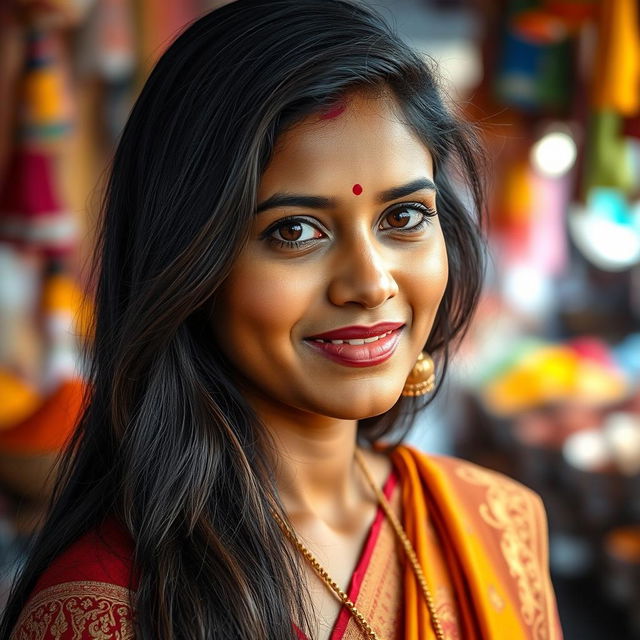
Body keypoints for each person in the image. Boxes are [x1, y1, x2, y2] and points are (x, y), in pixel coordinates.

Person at [1, 1, 563, 638]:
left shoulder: (497, 526)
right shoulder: (104, 613)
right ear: (189, 265)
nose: (371, 282)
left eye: (404, 218)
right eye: (295, 230)